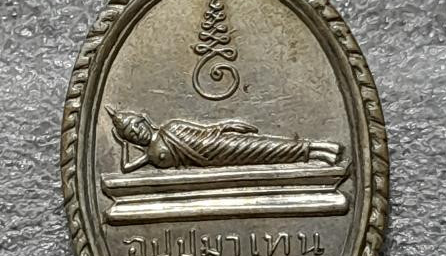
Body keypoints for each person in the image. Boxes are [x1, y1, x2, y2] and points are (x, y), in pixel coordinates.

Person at [106, 107, 342, 172]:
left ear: (145, 121)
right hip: (211, 162)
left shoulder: (171, 127)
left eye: (137, 127)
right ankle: (314, 152)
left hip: (216, 145)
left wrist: (228, 126)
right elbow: (126, 167)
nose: (137, 133)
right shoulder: (149, 155)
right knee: (260, 155)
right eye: (132, 134)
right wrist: (123, 144)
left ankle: (318, 148)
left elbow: (205, 130)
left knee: (261, 147)